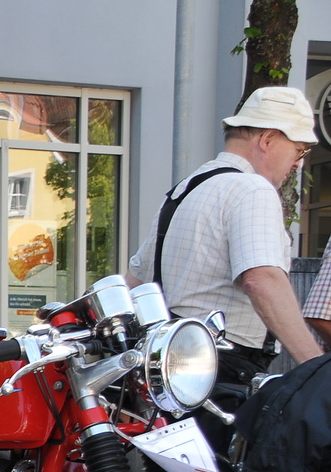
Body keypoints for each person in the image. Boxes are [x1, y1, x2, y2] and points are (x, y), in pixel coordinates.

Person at [127, 86, 322, 450]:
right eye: (299, 150)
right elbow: (261, 279)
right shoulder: (253, 190)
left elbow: (134, 281)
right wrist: (315, 368)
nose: (299, 164)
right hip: (223, 371)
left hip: (169, 375)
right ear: (267, 139)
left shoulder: (185, 190)